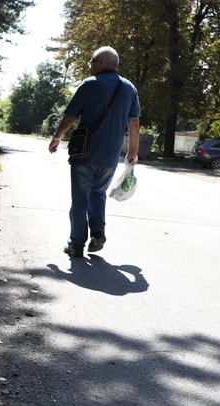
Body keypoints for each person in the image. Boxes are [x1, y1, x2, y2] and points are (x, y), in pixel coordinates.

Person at [48, 46, 141, 257]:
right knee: (98, 194)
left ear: (101, 64)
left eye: (91, 62)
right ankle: (98, 233)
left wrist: (57, 137)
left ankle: (76, 244)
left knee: (80, 198)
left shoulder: (89, 84)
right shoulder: (129, 88)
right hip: (110, 157)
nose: (89, 66)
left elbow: (71, 117)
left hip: (84, 154)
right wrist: (132, 153)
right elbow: (134, 123)